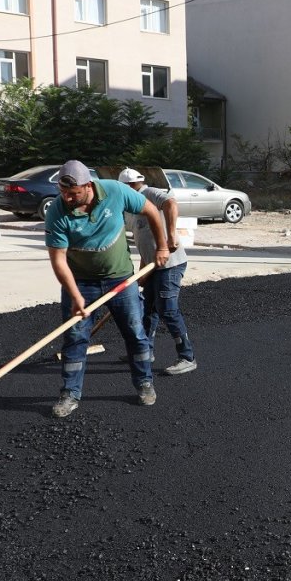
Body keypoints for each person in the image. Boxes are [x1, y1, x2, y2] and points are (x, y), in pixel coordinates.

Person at [44, 160, 170, 418]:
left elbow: (152, 211)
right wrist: (76, 296)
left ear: (88, 186)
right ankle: (70, 394)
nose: (67, 197)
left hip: (120, 279)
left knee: (135, 332)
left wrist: (162, 247)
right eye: (63, 192)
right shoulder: (57, 211)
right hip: (79, 281)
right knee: (75, 338)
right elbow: (58, 260)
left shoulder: (115, 191)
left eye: (73, 193)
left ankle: (144, 383)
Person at [118, 168, 197, 376]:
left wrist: (171, 235)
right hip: (153, 266)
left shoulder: (149, 193)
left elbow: (171, 203)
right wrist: (143, 273)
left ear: (130, 186)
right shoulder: (131, 208)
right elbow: (146, 244)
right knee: (147, 310)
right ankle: (145, 351)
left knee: (168, 309)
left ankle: (187, 357)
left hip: (171, 263)